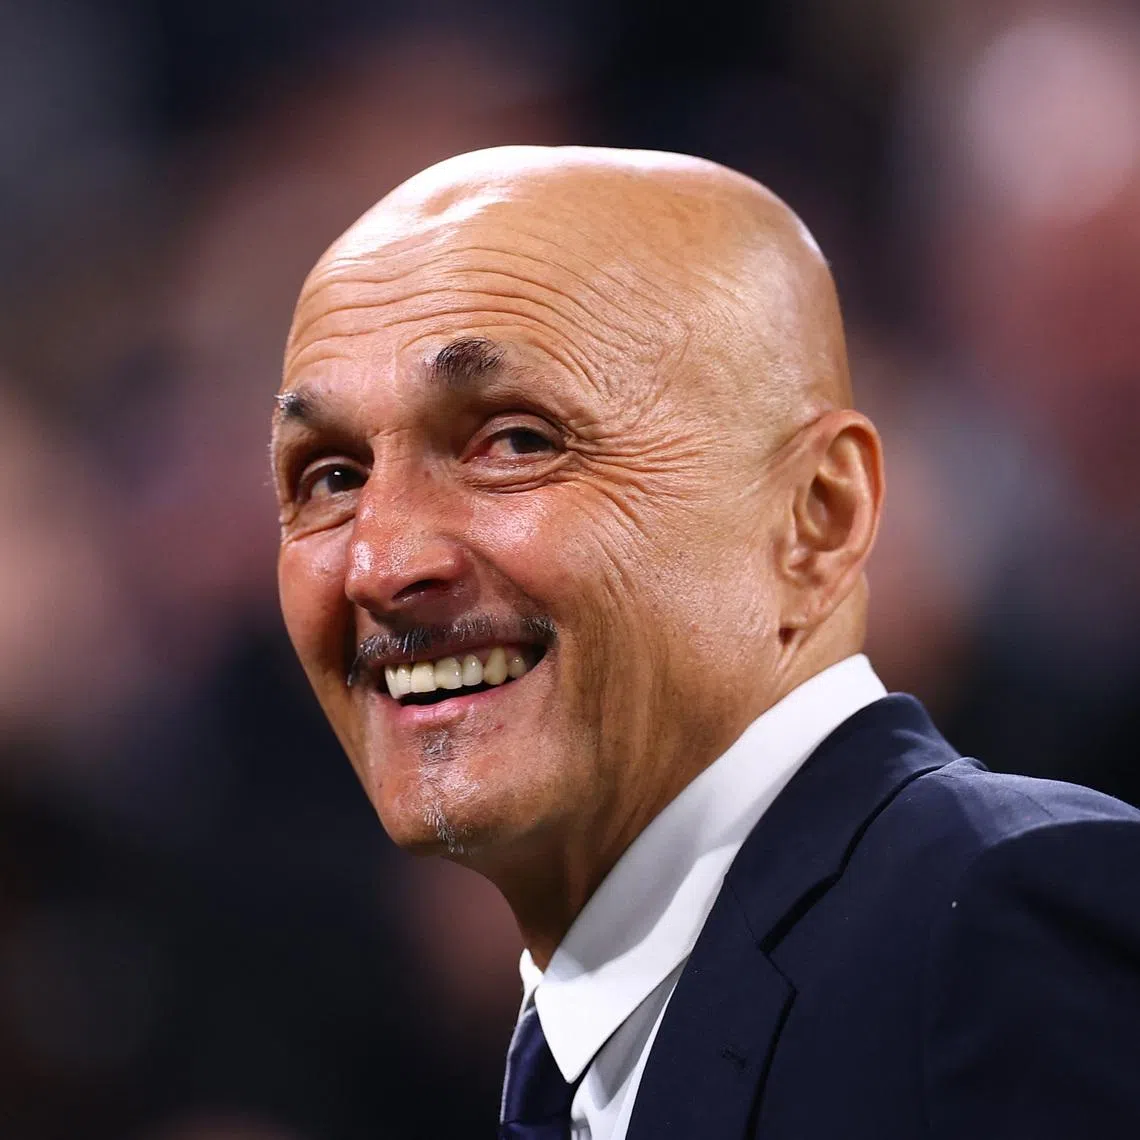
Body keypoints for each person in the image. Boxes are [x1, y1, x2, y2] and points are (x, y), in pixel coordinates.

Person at [271, 146, 1140, 1139]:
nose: (379, 563)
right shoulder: (580, 1051)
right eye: (331, 476)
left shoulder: (999, 928)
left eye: (515, 440)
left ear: (818, 514)